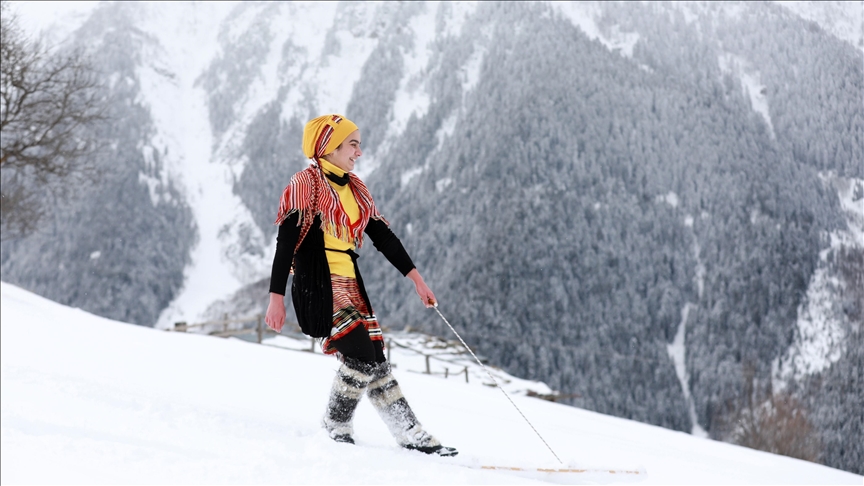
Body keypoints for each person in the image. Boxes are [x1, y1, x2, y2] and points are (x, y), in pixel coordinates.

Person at [265, 114, 457, 456]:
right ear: (329, 146)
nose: (359, 152)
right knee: (359, 355)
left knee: (375, 359)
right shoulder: (304, 185)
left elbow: (382, 236)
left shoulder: (355, 189)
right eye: (353, 144)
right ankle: (335, 424)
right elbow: (285, 243)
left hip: (350, 282)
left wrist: (417, 280)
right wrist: (275, 297)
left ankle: (408, 431)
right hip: (319, 283)